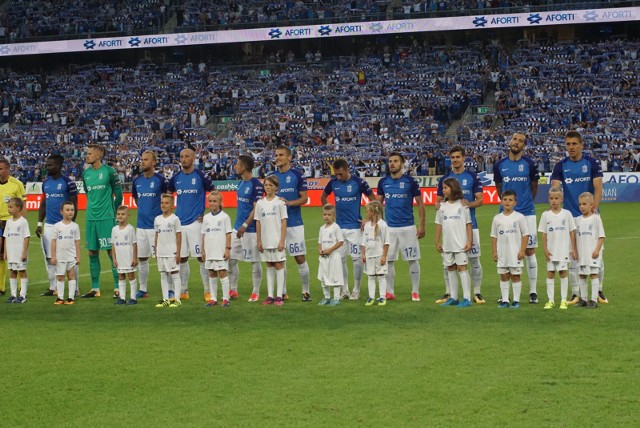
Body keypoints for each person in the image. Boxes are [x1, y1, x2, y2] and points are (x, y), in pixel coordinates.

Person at [550, 130, 605, 304]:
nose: (571, 147)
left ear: (581, 145)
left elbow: (598, 188)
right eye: (568, 144)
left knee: (597, 255)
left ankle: (599, 290)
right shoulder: (560, 165)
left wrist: (593, 209)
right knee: (573, 256)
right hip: (571, 217)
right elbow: (555, 189)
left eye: (574, 144)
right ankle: (576, 293)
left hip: (590, 215)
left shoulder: (591, 163)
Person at [493, 132, 540, 304]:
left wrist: (525, 204)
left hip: (527, 212)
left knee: (529, 251)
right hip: (505, 214)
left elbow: (534, 187)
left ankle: (533, 291)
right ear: (510, 141)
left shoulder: (530, 164)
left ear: (524, 145)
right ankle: (505, 294)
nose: (516, 142)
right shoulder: (499, 165)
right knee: (505, 250)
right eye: (514, 139)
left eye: (520, 141)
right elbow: (499, 188)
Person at [321, 158, 376, 300]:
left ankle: (356, 290)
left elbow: (373, 200)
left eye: (341, 174)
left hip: (355, 229)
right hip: (339, 228)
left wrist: (367, 219)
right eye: (336, 175)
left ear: (347, 170)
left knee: (357, 260)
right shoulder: (333, 183)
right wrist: (328, 210)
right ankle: (344, 289)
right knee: (340, 260)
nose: (338, 177)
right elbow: (323, 196)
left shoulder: (359, 182)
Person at [435, 145, 484, 305]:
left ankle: (476, 292)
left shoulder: (472, 177)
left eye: (458, 157)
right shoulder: (445, 179)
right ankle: (450, 293)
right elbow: (438, 201)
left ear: (464, 158)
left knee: (474, 260)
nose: (455, 160)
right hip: (451, 228)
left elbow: (480, 200)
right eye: (453, 157)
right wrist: (440, 205)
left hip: (471, 226)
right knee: (448, 263)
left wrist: (468, 205)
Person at [376, 152, 425, 302]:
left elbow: (420, 204)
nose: (392, 164)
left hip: (408, 227)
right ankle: (389, 291)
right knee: (389, 260)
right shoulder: (383, 182)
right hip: (390, 229)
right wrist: (379, 224)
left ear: (402, 164)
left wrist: (422, 225)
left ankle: (415, 291)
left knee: (413, 259)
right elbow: (378, 205)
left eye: (395, 161)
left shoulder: (410, 181)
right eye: (390, 161)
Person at [167, 148, 215, 301]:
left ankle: (208, 291)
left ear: (194, 158)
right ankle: (183, 291)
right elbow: (168, 195)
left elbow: (215, 193)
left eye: (187, 156)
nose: (183, 159)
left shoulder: (201, 175)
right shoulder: (176, 178)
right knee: (181, 258)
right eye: (181, 156)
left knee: (202, 257)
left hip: (196, 224)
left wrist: (208, 213)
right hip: (180, 223)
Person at [81, 144, 123, 298]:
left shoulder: (109, 172)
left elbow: (118, 194)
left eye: (90, 153)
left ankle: (118, 287)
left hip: (107, 217)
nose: (87, 156)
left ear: (99, 155)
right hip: (91, 217)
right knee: (92, 251)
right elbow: (87, 193)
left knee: (111, 252)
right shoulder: (86, 174)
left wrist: (114, 211)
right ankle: (95, 288)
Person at [36, 154, 78, 296]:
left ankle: (75, 288)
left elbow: (74, 204)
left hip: (64, 225)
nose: (47, 168)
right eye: (46, 165)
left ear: (58, 166)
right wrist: (39, 223)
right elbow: (43, 204)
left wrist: (71, 224)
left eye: (50, 165)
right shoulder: (45, 183)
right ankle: (53, 287)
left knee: (70, 257)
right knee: (49, 257)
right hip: (49, 226)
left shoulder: (68, 182)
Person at [272, 145, 311, 301]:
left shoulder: (297, 175)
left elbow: (305, 198)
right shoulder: (271, 176)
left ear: (289, 157)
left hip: (294, 223)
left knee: (299, 257)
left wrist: (288, 203)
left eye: (281, 155)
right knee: (279, 259)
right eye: (276, 154)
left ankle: (305, 291)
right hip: (276, 226)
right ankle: (282, 292)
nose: (277, 157)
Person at [131, 150, 169, 299]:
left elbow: (168, 198)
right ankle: (143, 289)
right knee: (142, 258)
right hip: (141, 226)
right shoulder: (137, 181)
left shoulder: (161, 180)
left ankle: (170, 289)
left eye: (146, 160)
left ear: (154, 162)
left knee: (162, 257)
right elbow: (136, 199)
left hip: (157, 228)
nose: (143, 162)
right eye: (142, 159)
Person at [229, 155, 264, 302]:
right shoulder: (240, 183)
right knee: (231, 259)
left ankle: (255, 292)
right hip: (236, 228)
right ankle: (233, 290)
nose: (235, 167)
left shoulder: (256, 184)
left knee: (254, 261)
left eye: (237, 164)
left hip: (250, 231)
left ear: (244, 167)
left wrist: (245, 225)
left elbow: (256, 209)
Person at [435, 178, 473, 307]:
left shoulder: (463, 205)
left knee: (462, 268)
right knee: (450, 268)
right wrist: (437, 241)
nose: (443, 190)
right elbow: (439, 224)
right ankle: (454, 297)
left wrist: (470, 240)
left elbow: (468, 224)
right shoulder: (442, 207)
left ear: (453, 188)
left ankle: (467, 298)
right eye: (443, 188)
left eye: (445, 188)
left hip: (460, 243)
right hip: (447, 244)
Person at [538, 187, 577, 310]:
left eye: (556, 198)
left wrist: (573, 249)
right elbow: (543, 234)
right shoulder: (545, 215)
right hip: (551, 250)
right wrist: (545, 249)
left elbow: (572, 232)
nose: (553, 201)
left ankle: (564, 300)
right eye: (551, 198)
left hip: (564, 250)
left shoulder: (567, 214)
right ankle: (551, 301)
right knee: (550, 273)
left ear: (561, 199)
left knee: (562, 273)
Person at [490, 190, 530, 309]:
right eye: (505, 200)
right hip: (502, 253)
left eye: (510, 200)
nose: (507, 202)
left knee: (515, 276)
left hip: (515, 253)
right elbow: (494, 236)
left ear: (515, 203)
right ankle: (505, 300)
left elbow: (525, 234)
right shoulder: (497, 218)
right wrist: (494, 251)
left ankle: (516, 301)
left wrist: (522, 250)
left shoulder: (519, 217)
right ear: (501, 201)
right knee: (503, 275)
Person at [255, 175, 288, 306]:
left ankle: (279, 296)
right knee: (269, 265)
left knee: (279, 265)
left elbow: (283, 222)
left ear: (276, 187)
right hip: (265, 240)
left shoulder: (280, 203)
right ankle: (270, 295)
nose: (268, 187)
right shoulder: (260, 203)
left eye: (271, 185)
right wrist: (259, 240)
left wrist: (282, 240)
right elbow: (258, 222)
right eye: (266, 185)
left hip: (277, 239)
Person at [201, 191, 233, 308]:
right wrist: (203, 250)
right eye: (210, 201)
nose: (212, 203)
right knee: (211, 273)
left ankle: (225, 298)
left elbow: (228, 234)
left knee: (223, 273)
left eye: (215, 201)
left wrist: (228, 249)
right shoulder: (206, 218)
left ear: (220, 203)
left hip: (220, 250)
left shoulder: (225, 217)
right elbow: (203, 234)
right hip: (209, 250)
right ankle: (213, 298)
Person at [0, 158, 26, 296]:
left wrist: (22, 224)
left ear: (8, 169)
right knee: (0, 256)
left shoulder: (17, 184)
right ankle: (1, 287)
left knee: (15, 255)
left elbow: (23, 205)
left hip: (11, 224)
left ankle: (21, 287)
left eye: (1, 168)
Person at [575, 192, 606, 308]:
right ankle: (583, 299)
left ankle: (594, 300)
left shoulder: (596, 219)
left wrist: (597, 250)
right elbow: (576, 237)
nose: (581, 206)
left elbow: (601, 236)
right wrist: (575, 250)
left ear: (591, 205)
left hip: (593, 252)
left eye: (584, 204)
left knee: (593, 274)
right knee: (582, 275)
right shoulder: (578, 220)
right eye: (580, 204)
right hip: (582, 253)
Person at [154, 194, 182, 308]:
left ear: (172, 205)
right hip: (161, 251)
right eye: (162, 203)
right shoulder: (157, 219)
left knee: (174, 274)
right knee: (163, 274)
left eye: (166, 203)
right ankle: (165, 299)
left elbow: (179, 237)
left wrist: (178, 252)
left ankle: (177, 299)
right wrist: (156, 249)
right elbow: (156, 235)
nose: (163, 205)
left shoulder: (175, 219)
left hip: (172, 251)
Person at [51, 201, 81, 305]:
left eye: (72, 210)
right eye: (67, 210)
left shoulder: (75, 226)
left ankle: (71, 297)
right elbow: (53, 241)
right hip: (60, 256)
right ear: (61, 212)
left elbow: (77, 242)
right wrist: (53, 256)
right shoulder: (57, 226)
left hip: (71, 256)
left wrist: (78, 257)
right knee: (60, 276)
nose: (70, 212)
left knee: (71, 275)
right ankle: (60, 297)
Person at [361, 200, 390, 307]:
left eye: (367, 211)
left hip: (379, 255)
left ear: (373, 212)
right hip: (369, 255)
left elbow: (386, 242)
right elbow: (364, 241)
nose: (366, 213)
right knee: (371, 277)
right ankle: (371, 297)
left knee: (381, 276)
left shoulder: (383, 225)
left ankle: (382, 297)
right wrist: (363, 254)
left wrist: (384, 256)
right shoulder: (367, 225)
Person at [317, 204, 344, 306]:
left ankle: (336, 298)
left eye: (329, 214)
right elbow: (319, 242)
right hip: (324, 258)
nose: (326, 216)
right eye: (324, 214)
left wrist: (330, 250)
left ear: (334, 216)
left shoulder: (336, 227)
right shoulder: (322, 228)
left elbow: (340, 241)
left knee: (335, 277)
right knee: (324, 278)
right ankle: (326, 297)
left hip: (334, 256)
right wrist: (320, 250)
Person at [4, 198, 29, 303]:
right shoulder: (9, 222)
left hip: (19, 253)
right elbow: (5, 237)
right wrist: (5, 252)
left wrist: (24, 252)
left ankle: (23, 295)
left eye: (11, 207)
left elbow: (27, 237)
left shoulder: (23, 222)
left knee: (22, 272)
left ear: (18, 208)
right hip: (11, 252)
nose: (8, 209)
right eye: (8, 207)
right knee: (12, 272)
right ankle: (13, 294)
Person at [111, 206, 138, 305]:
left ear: (128, 216)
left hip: (129, 257)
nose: (120, 216)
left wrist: (134, 258)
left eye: (123, 214)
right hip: (119, 258)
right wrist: (114, 258)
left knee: (131, 276)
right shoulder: (114, 229)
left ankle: (133, 297)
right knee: (121, 276)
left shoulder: (130, 229)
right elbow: (113, 245)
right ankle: (122, 298)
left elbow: (134, 244)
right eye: (118, 214)